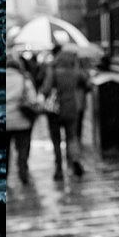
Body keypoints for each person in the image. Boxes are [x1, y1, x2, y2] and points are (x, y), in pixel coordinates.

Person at [40, 42, 95, 178]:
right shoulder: (75, 72)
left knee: (56, 140)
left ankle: (59, 168)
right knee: (72, 137)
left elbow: (46, 89)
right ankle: (75, 160)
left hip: (55, 110)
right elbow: (88, 84)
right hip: (71, 108)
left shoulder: (53, 70)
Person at [5, 52, 41, 184]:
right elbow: (32, 99)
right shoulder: (24, 79)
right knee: (22, 149)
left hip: (6, 121)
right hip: (22, 121)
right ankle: (23, 174)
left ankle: (6, 175)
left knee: (6, 151)